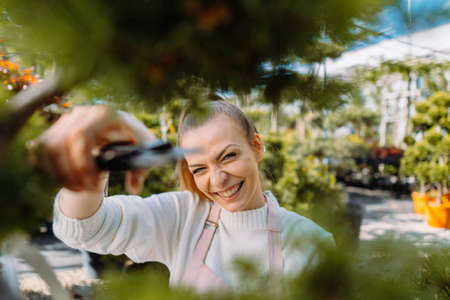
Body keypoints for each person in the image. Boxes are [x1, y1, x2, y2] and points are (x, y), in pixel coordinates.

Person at [37, 100, 333, 293]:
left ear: (256, 147)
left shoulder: (313, 241)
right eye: (200, 168)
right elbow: (87, 230)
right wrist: (94, 164)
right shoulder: (183, 216)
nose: (217, 180)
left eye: (228, 156)